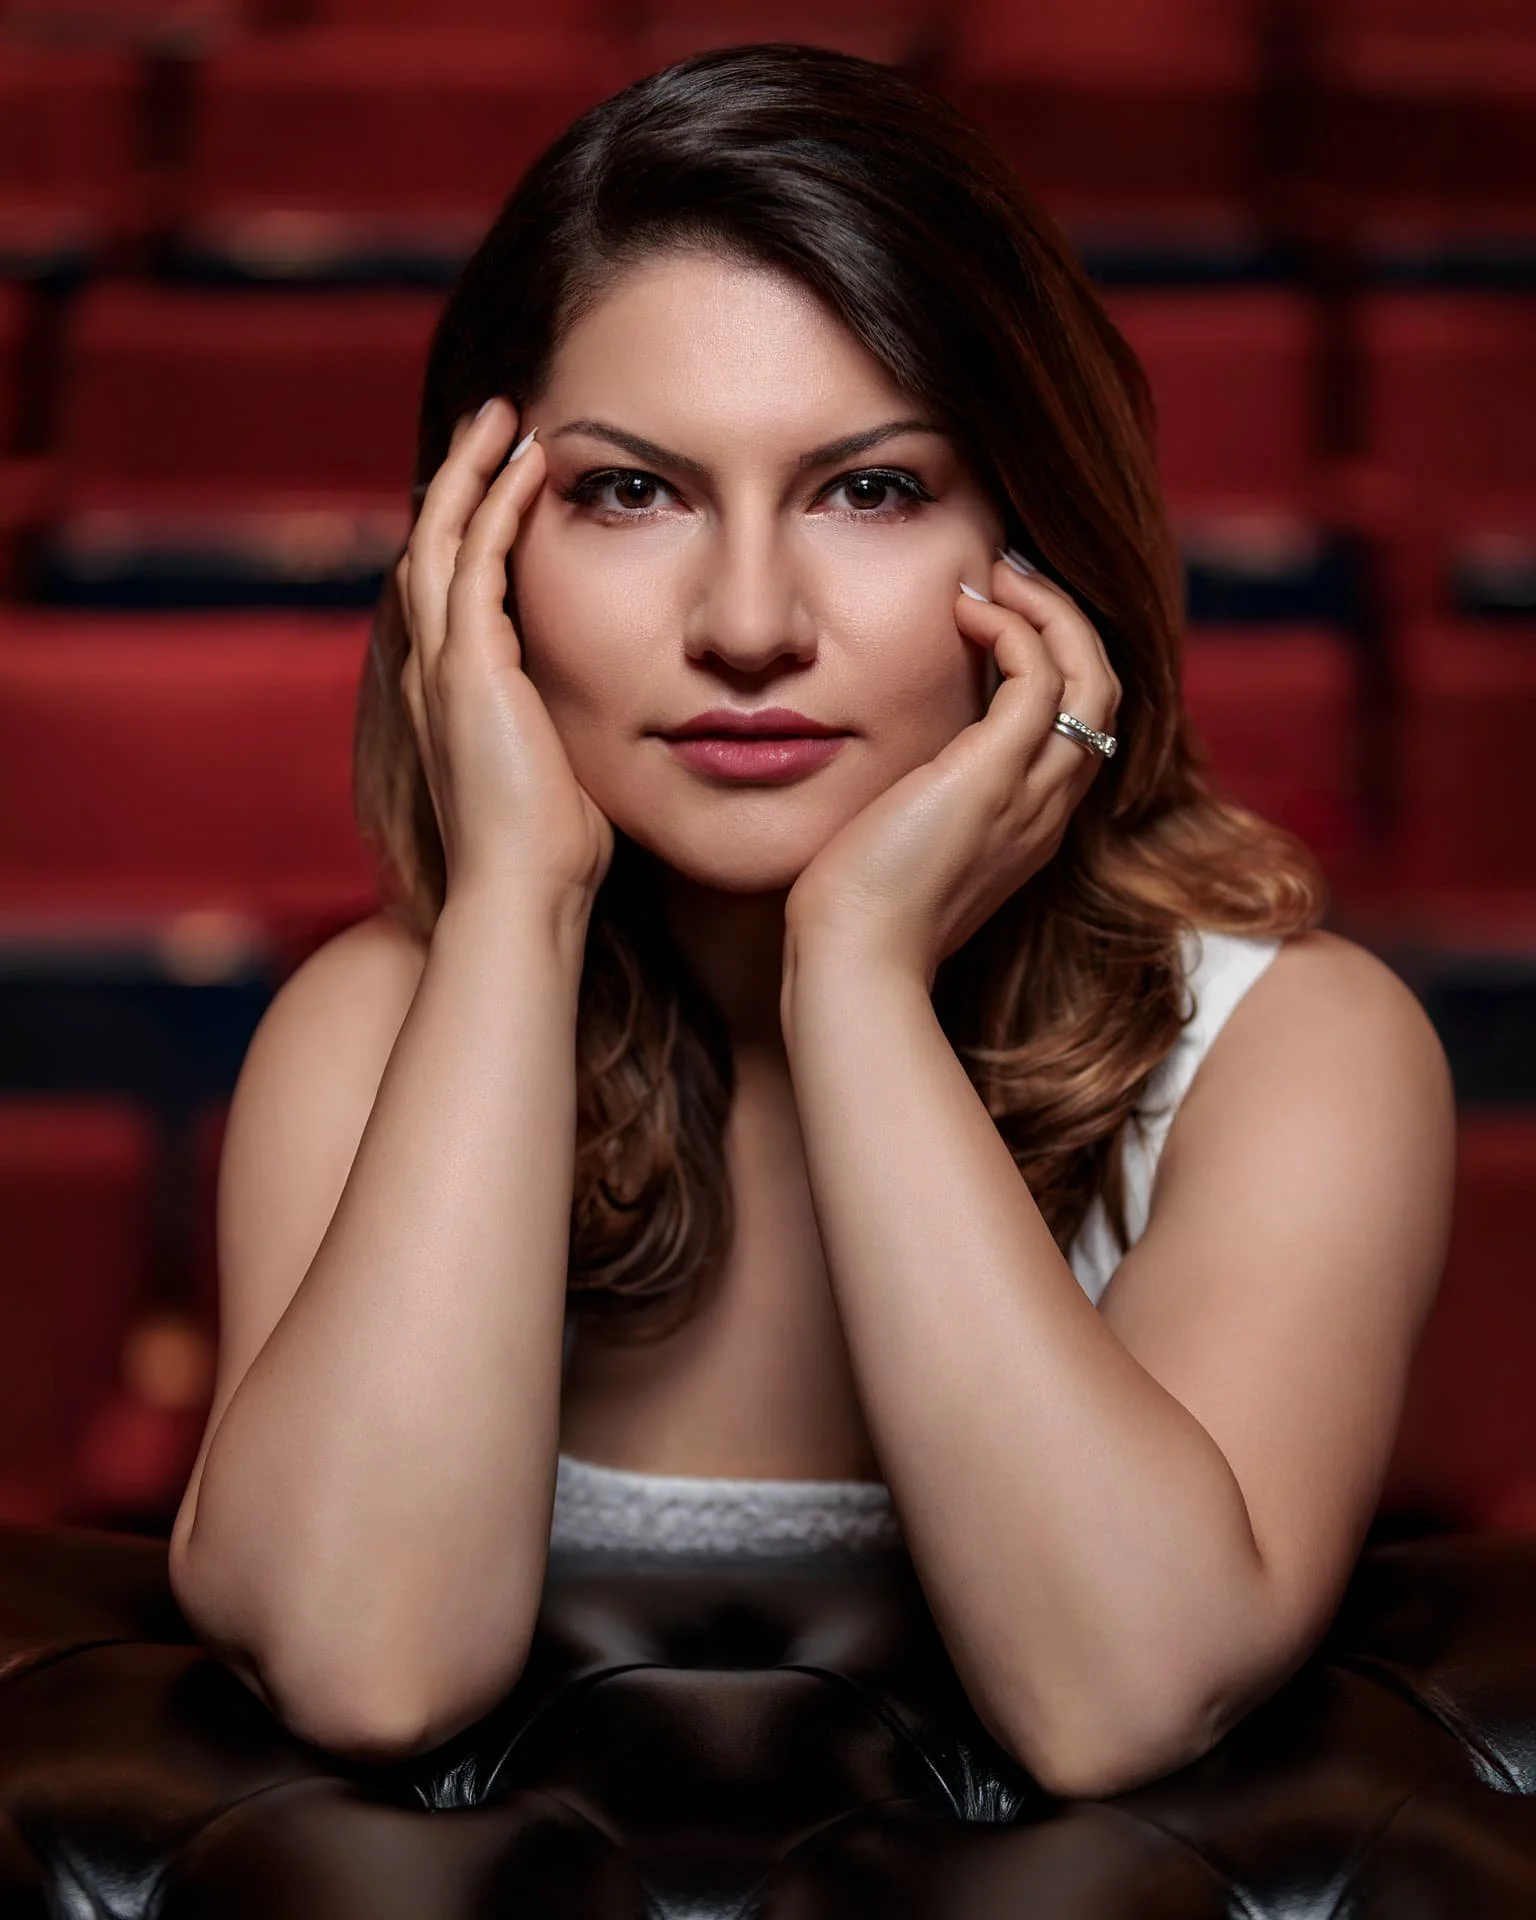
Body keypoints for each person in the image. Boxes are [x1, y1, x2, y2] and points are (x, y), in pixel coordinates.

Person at [166, 43, 1456, 1797]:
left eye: (872, 488)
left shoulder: (1296, 1053)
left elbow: (1120, 1689)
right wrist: (517, 915)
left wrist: (859, 980)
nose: (751, 620)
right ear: (473, 568)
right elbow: (363, 1663)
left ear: (1040, 542)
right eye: (630, 492)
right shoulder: (381, 1022)